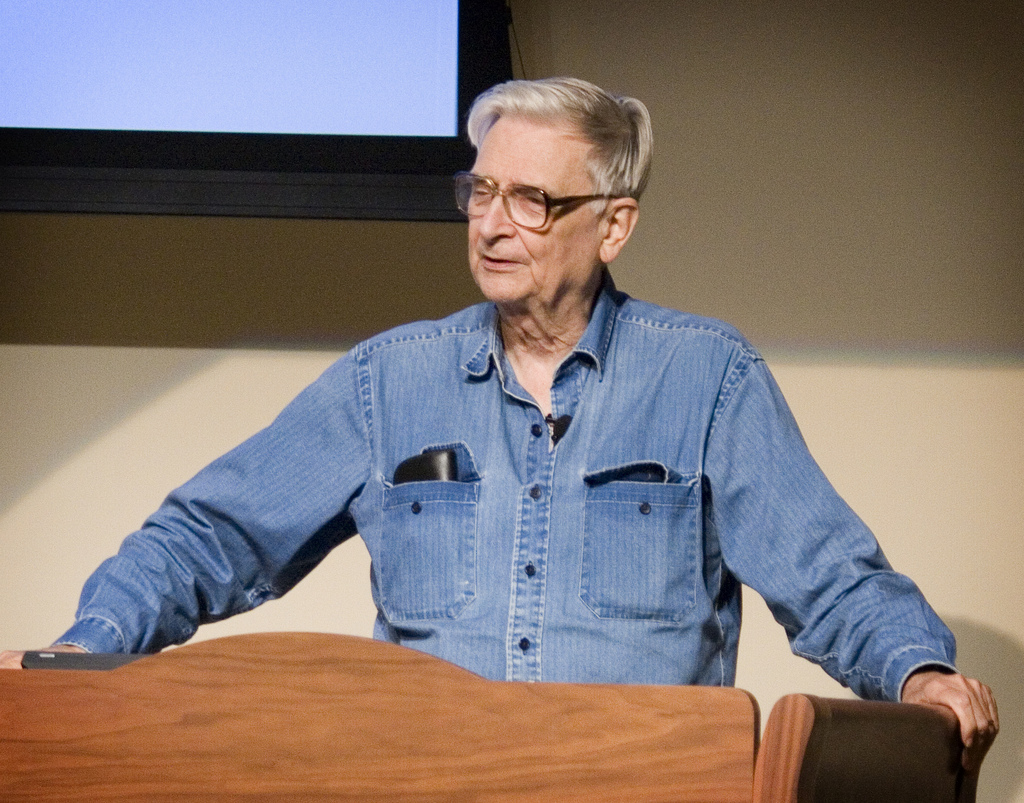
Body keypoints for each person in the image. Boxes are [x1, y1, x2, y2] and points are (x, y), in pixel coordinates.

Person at [0, 77, 997, 771]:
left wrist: (919, 670)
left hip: (643, 786)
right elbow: (206, 536)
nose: (489, 223)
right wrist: (84, 654)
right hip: (426, 784)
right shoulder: (389, 380)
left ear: (614, 223)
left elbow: (831, 577)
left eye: (531, 199)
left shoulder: (706, 377)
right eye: (480, 190)